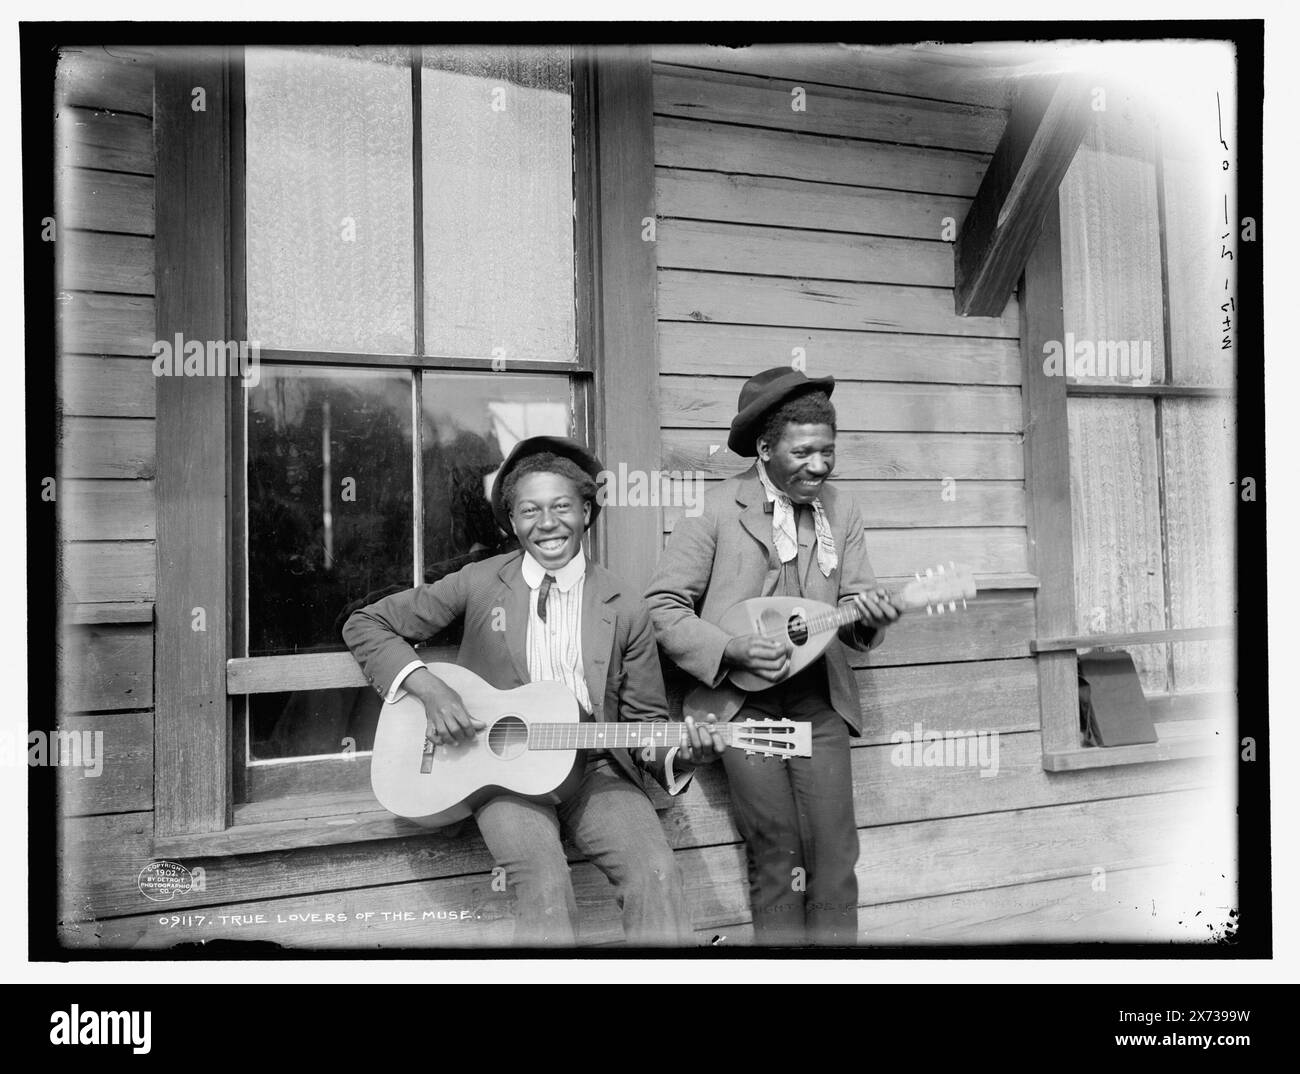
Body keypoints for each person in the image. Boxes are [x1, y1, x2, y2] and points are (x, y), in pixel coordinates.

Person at [343, 435, 725, 946]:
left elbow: (646, 724)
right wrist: (430, 688)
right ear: (513, 520)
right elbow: (366, 624)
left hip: (595, 768)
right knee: (544, 883)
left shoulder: (624, 604)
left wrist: (686, 753)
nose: (546, 524)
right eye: (529, 511)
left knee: (656, 872)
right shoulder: (479, 582)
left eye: (562, 507)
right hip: (498, 771)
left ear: (586, 511)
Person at [644, 368, 900, 945]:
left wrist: (871, 619)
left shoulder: (841, 510)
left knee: (834, 853)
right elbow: (662, 605)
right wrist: (729, 648)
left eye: (827, 452)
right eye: (803, 451)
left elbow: (855, 607)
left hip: (818, 702)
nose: (819, 466)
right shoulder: (713, 509)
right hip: (741, 708)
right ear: (764, 448)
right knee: (777, 851)